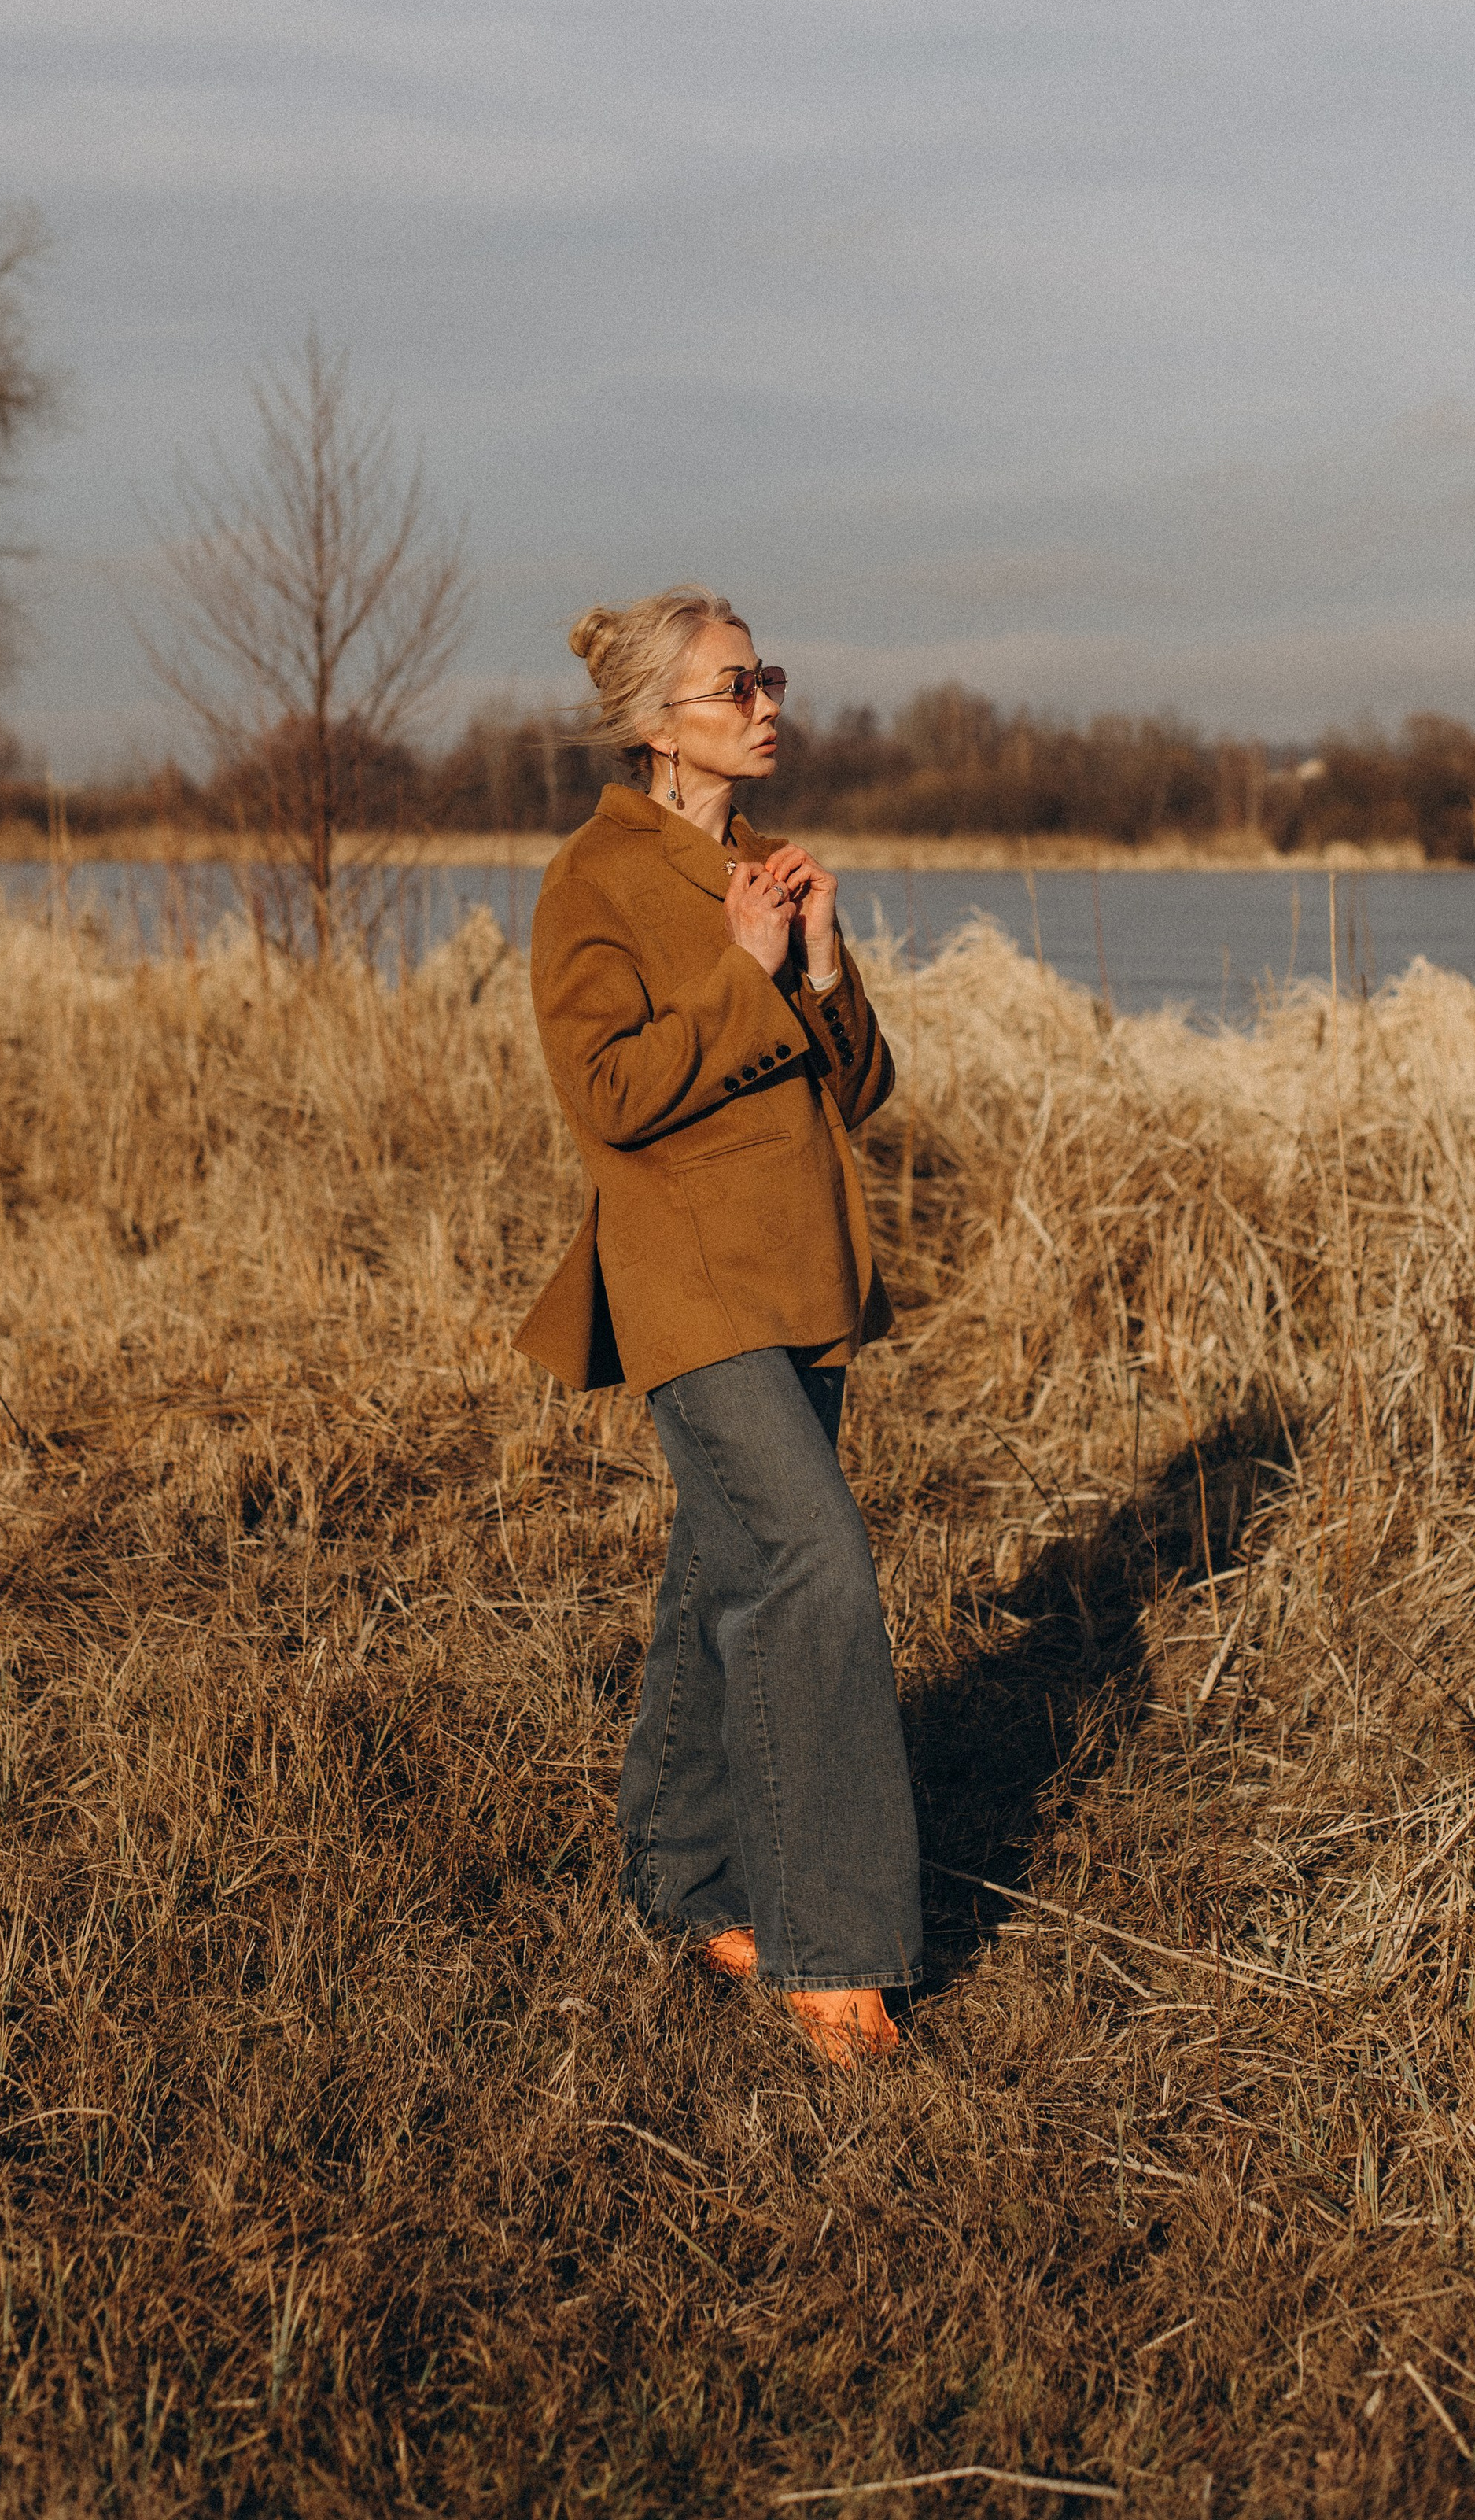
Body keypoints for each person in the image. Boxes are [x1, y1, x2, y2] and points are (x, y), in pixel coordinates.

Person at [516, 584, 920, 2066]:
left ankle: (680, 1882)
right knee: (814, 1564)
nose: (767, 708)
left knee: (722, 1571)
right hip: (686, 1283)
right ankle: (830, 1939)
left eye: (768, 680)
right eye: (734, 688)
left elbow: (857, 1090)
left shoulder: (767, 866)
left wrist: (817, 962)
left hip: (802, 1275)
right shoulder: (592, 884)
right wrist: (743, 970)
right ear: (649, 726)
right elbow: (610, 1097)